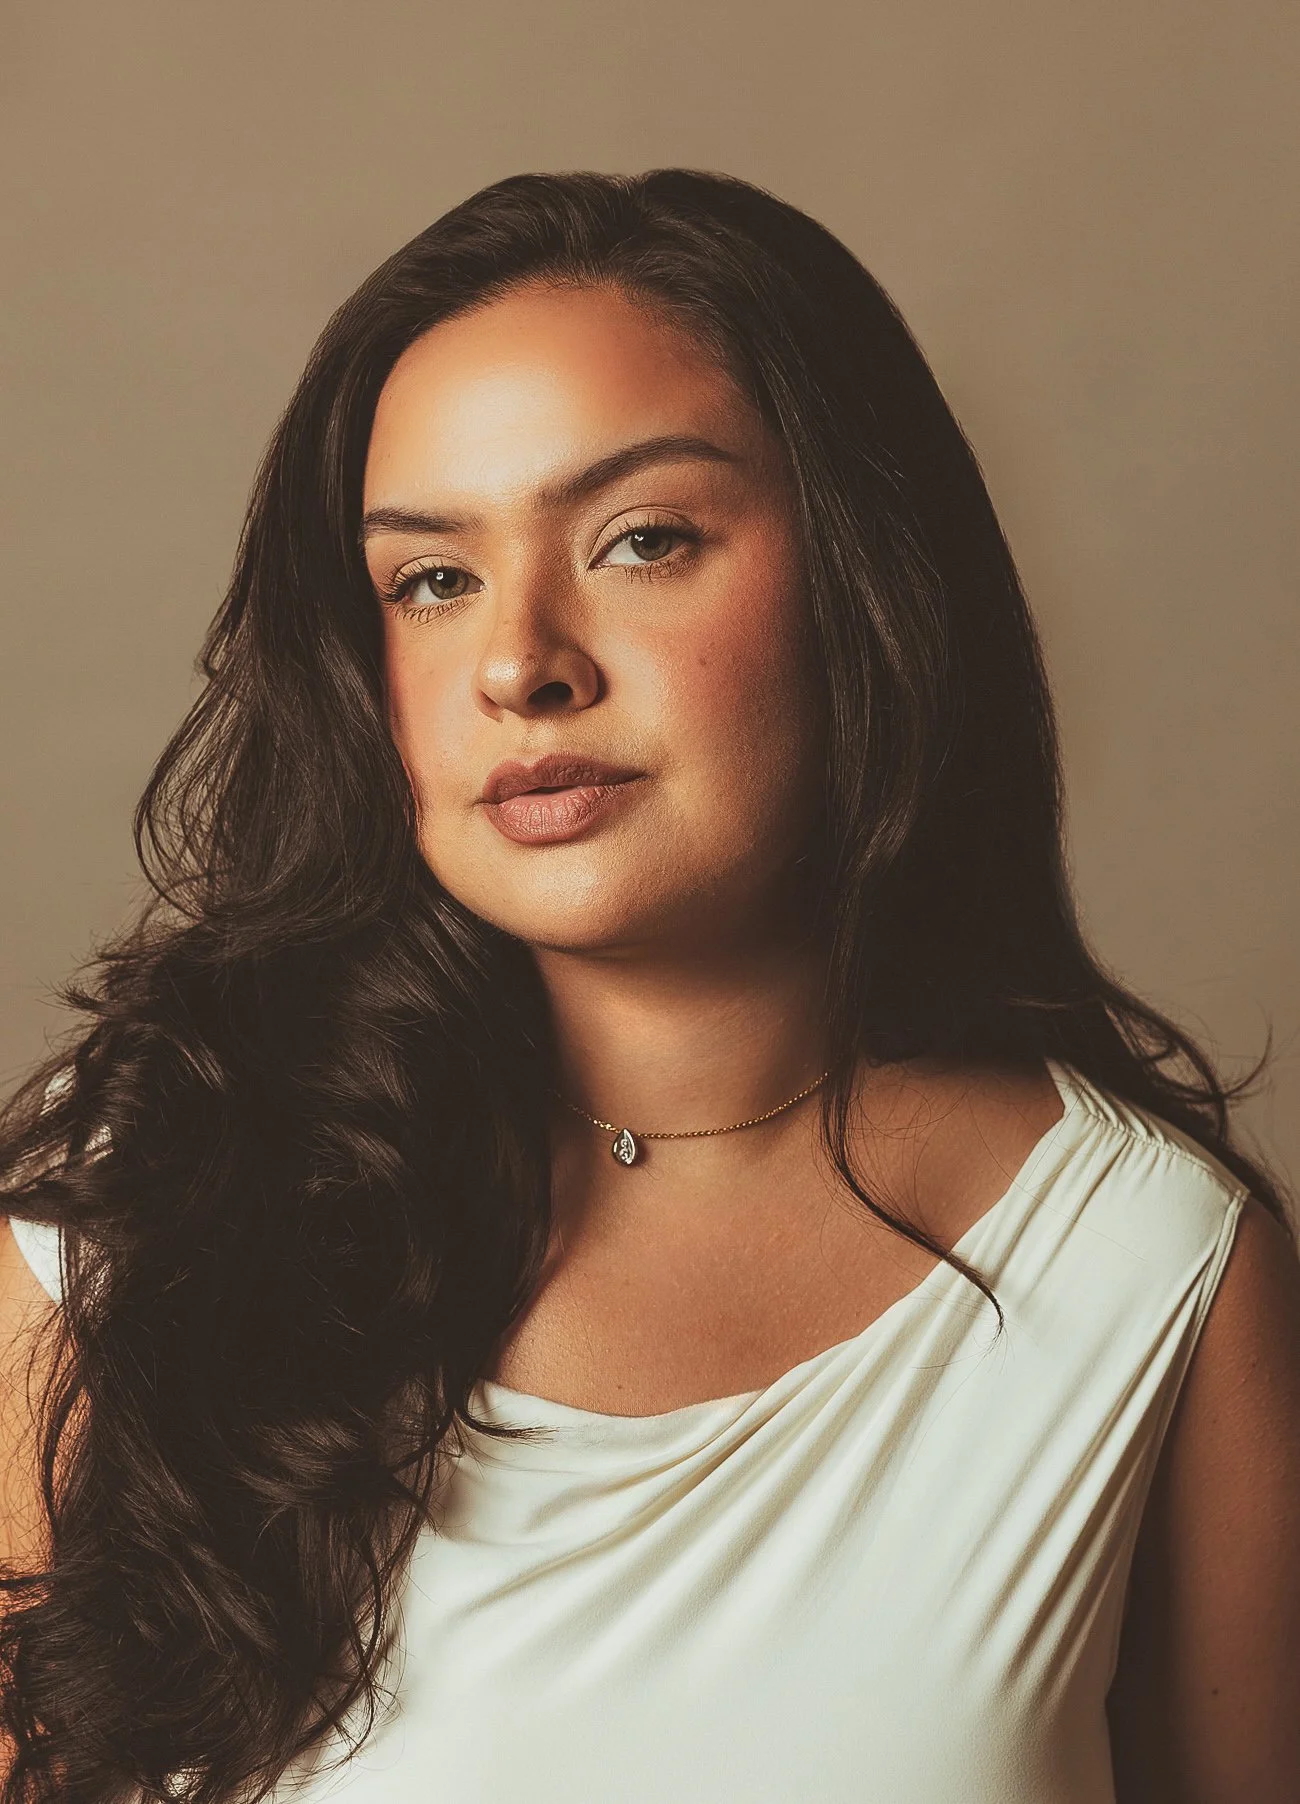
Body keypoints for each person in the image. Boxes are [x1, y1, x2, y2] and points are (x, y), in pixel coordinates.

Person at [1, 169, 1297, 1804]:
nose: (520, 661)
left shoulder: (1148, 1273)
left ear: (860, 575)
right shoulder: (138, 1211)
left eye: (640, 540)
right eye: (432, 578)